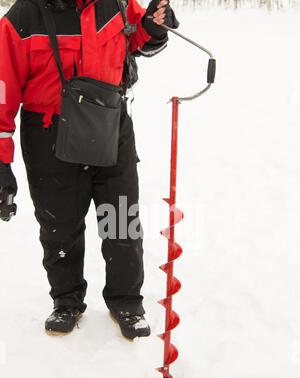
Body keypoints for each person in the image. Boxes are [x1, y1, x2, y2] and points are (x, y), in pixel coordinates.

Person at [0, 0, 179, 339]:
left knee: (121, 219)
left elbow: (140, 39)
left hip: (109, 125)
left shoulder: (118, 3)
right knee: (59, 225)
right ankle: (66, 300)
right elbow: (2, 86)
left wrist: (155, 28)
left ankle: (126, 301)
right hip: (48, 133)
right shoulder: (23, 16)